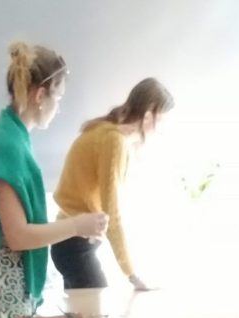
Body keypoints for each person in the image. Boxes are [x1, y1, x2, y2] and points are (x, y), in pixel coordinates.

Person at [0, 41, 109, 318]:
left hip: (6, 282)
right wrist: (77, 225)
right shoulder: (6, 145)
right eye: (58, 98)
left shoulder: (13, 139)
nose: (59, 108)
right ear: (40, 95)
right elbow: (18, 235)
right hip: (0, 285)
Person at [51, 78, 174, 291]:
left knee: (85, 311)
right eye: (161, 121)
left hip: (70, 243)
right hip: (75, 245)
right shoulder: (113, 141)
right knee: (98, 308)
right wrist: (133, 274)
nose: (161, 129)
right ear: (148, 115)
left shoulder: (106, 132)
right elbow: (112, 213)